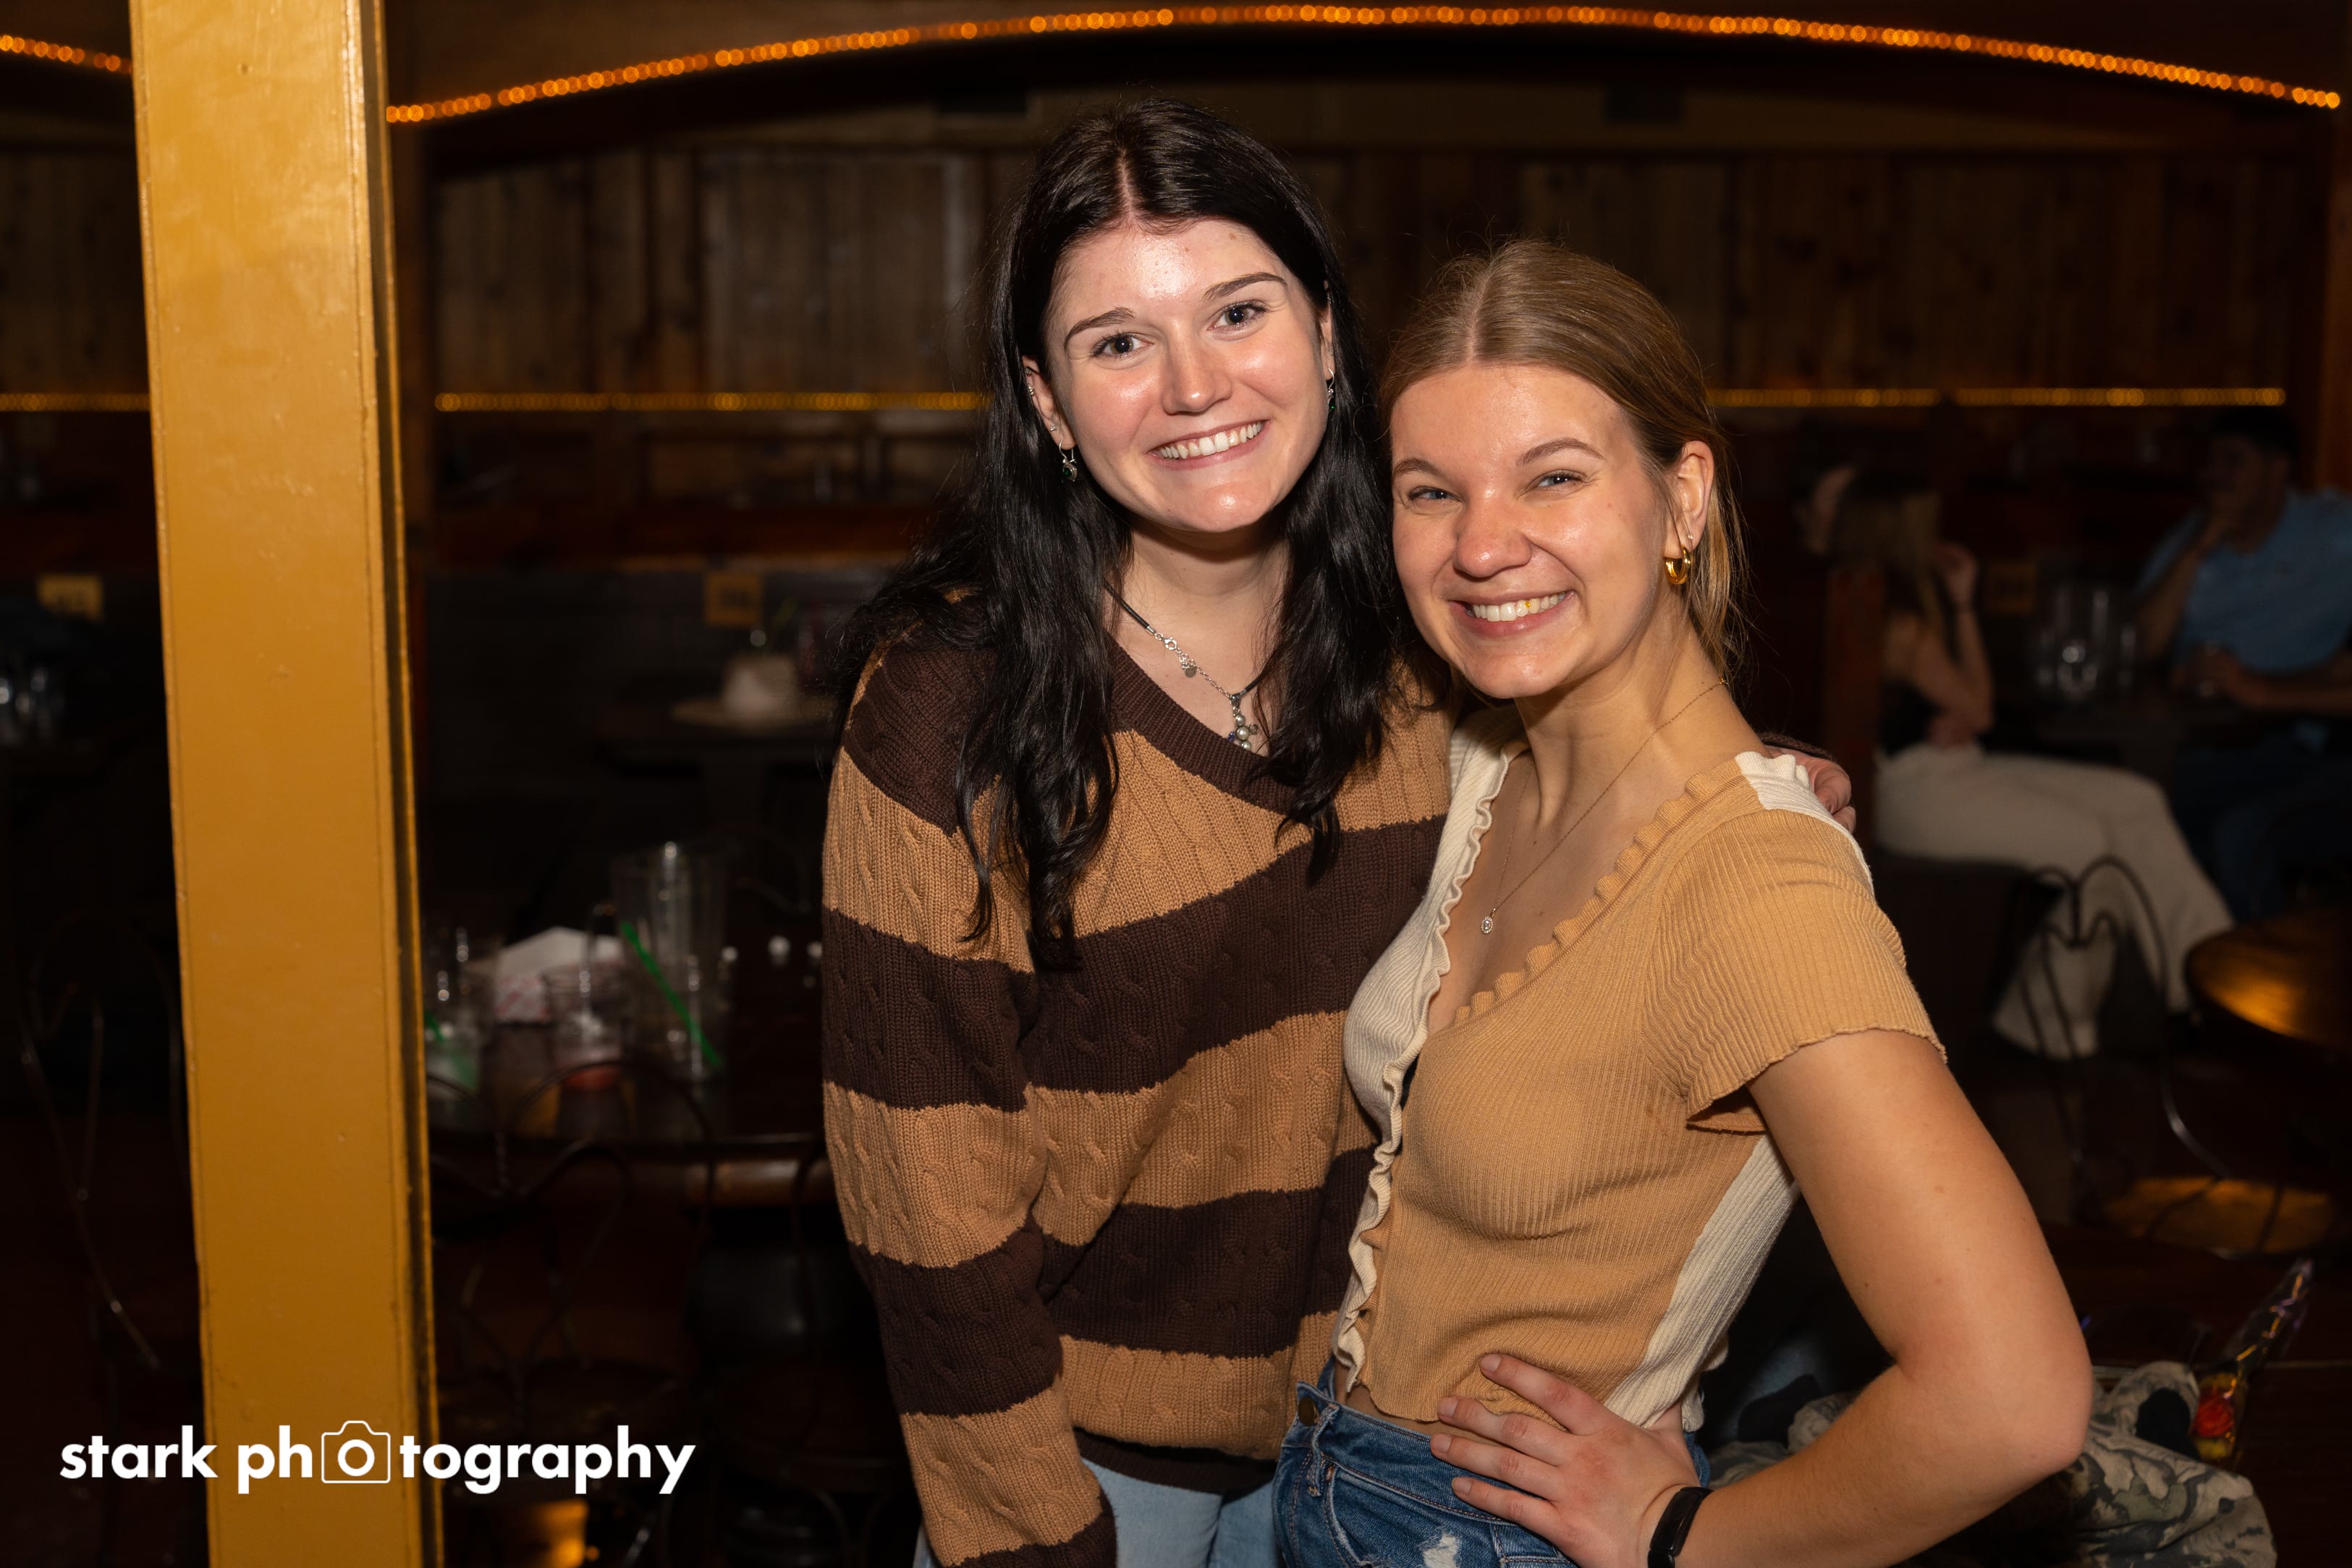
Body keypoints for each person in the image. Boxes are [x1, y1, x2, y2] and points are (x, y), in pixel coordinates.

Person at [821, 105, 1850, 1568]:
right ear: (1048, 402)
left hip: (1370, 1463)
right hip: (1083, 1476)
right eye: (1118, 343)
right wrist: (1037, 1539)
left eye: (1237, 312)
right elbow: (926, 1222)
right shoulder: (950, 709)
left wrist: (1754, 789)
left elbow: (1609, 761)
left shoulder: (1430, 651)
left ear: (1320, 333)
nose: (1193, 385)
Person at [1277, 241, 2089, 1568]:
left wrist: (1683, 1537)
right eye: (1431, 491)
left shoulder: (1758, 885)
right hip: (1330, 1478)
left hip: (1496, 1537)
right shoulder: (1481, 754)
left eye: (1552, 475)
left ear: (1683, 496)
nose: (1481, 544)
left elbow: (2014, 1398)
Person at [1832, 474, 2231, 1059]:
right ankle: (2047, 1027)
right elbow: (1982, 707)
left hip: (1950, 769)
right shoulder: (1899, 621)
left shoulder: (1899, 604)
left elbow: (1971, 711)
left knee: (2136, 800)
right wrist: (1964, 608)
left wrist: (1958, 655)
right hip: (1916, 790)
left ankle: (2209, 985)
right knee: (2093, 847)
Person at [2135, 406, 2352, 918]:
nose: (2215, 474)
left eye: (2232, 460)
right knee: (2140, 812)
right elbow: (2140, 647)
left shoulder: (2333, 532)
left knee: (2231, 830)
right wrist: (2197, 550)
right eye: (2209, 461)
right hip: (2199, 737)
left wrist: (2257, 687)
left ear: (2278, 470)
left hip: (2298, 743)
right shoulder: (2192, 535)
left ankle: (2246, 957)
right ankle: (2191, 946)